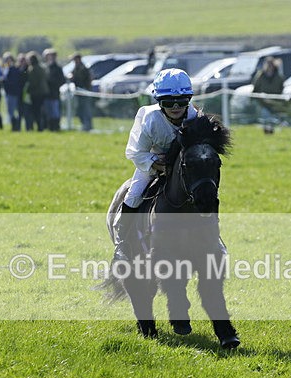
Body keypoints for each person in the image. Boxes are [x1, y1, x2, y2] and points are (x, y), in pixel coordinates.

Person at [114, 68, 199, 261]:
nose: (176, 106)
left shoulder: (195, 118)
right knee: (134, 194)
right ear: (159, 102)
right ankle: (122, 244)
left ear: (189, 100)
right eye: (169, 102)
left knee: (205, 192)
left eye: (182, 101)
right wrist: (157, 165)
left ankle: (214, 239)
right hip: (153, 162)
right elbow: (135, 152)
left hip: (184, 166)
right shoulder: (150, 120)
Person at [251, 56, 285, 133]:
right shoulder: (261, 75)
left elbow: (281, 87)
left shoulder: (278, 76)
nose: (269, 66)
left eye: (271, 64)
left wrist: (279, 98)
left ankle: (272, 130)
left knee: (273, 117)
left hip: (275, 101)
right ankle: (266, 130)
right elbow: (256, 87)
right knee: (265, 116)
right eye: (268, 64)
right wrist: (255, 97)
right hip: (263, 101)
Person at [43, 48, 66, 131]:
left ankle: (56, 127)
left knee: (55, 111)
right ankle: (50, 127)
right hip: (47, 93)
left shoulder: (58, 68)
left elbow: (62, 80)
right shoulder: (46, 67)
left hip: (54, 93)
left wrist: (52, 83)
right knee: (48, 111)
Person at [69, 53, 93, 132]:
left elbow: (82, 79)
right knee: (80, 109)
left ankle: (87, 125)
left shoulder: (83, 68)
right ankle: (84, 124)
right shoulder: (76, 68)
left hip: (84, 92)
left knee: (85, 109)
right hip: (79, 92)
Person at [25, 51, 47, 131]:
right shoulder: (41, 68)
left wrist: (28, 90)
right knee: (41, 110)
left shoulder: (32, 69)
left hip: (36, 93)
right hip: (43, 92)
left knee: (36, 111)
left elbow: (33, 82)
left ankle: (39, 127)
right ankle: (42, 126)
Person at [2, 52, 23, 131]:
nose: (8, 61)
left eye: (9, 60)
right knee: (10, 111)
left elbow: (14, 81)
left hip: (13, 92)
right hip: (7, 92)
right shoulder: (5, 69)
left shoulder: (14, 69)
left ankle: (16, 127)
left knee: (13, 110)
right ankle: (14, 126)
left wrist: (5, 81)